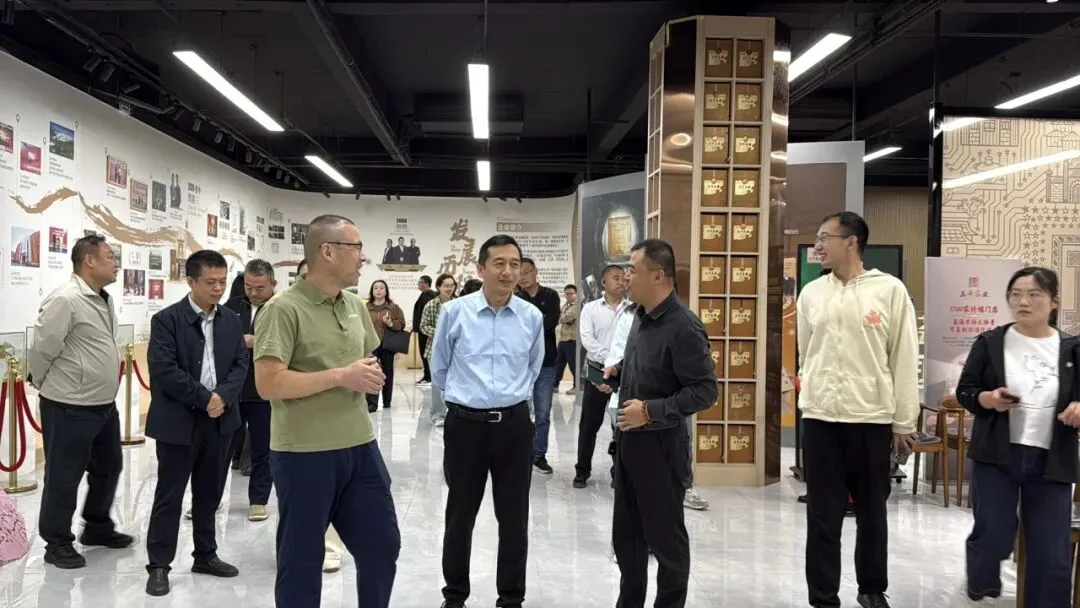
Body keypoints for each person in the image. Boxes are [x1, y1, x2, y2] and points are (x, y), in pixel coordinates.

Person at [254, 214, 400, 608]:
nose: (363, 257)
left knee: (382, 546)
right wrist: (340, 376)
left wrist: (369, 374)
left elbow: (365, 359)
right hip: (304, 453)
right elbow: (268, 384)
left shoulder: (353, 305)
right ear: (328, 251)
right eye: (356, 248)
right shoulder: (282, 309)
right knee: (302, 560)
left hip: (360, 447)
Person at [797, 211, 918, 608]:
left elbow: (903, 357)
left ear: (851, 242)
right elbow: (806, 353)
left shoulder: (889, 290)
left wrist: (904, 421)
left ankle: (871, 589)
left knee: (872, 512)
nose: (818, 245)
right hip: (821, 419)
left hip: (871, 420)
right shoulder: (812, 293)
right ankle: (822, 596)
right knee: (822, 514)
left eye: (824, 237)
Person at [603, 239, 717, 608]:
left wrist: (651, 410)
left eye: (632, 270)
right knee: (628, 539)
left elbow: (705, 391)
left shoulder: (684, 326)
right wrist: (619, 372)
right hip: (629, 443)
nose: (625, 277)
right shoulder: (640, 315)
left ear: (658, 275)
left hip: (662, 449)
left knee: (666, 542)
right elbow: (652, 369)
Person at [956, 266, 1080, 605]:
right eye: (1016, 294)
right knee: (993, 535)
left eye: (1034, 294)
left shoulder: (1072, 348)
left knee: (1051, 551)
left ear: (1054, 302)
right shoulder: (991, 342)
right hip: (997, 456)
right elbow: (966, 391)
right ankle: (982, 580)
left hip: (1052, 460)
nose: (1023, 302)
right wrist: (989, 399)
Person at [432, 234, 543, 608]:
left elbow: (533, 367)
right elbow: (440, 368)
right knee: (460, 515)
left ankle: (511, 597)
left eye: (515, 264)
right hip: (466, 426)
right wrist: (468, 398)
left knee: (514, 518)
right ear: (481, 269)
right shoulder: (455, 312)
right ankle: (455, 596)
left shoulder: (531, 317)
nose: (508, 271)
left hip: (514, 427)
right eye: (499, 263)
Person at [144, 250, 249, 596]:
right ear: (190, 281)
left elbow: (240, 364)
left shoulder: (231, 320)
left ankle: (205, 554)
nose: (218, 288)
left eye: (222, 281)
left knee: (209, 492)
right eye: (210, 282)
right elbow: (165, 370)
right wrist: (206, 399)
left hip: (221, 420)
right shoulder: (166, 321)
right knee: (170, 495)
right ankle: (159, 564)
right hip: (179, 420)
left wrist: (223, 397)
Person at [28, 234, 132, 569]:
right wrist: (44, 384)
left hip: (102, 404)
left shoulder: (103, 298)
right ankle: (57, 542)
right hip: (69, 405)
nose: (116, 263)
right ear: (89, 260)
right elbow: (42, 349)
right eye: (110, 256)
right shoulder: (66, 299)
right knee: (64, 476)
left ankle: (97, 527)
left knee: (109, 467)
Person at [223, 258, 277, 521]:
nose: (253, 293)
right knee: (221, 448)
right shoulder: (232, 307)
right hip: (232, 390)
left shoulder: (282, 308)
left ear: (273, 284)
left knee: (262, 449)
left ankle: (258, 500)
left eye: (260, 288)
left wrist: (260, 342)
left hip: (264, 390)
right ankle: (208, 499)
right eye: (248, 286)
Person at [575, 265, 629, 488]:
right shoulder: (590, 309)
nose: (621, 282)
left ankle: (619, 472)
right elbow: (587, 339)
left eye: (624, 278)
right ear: (604, 282)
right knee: (589, 425)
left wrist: (617, 366)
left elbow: (632, 342)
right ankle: (582, 470)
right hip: (597, 372)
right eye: (616, 278)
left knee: (621, 426)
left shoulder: (633, 309)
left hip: (623, 372)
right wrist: (609, 362)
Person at [515, 257, 561, 475]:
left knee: (542, 413)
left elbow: (550, 323)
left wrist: (530, 323)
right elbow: (516, 328)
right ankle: (520, 453)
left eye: (526, 272)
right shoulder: (515, 298)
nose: (522, 277)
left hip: (546, 363)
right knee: (519, 412)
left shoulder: (551, 295)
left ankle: (539, 455)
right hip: (520, 364)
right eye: (519, 273)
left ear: (535, 272)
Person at [421, 274, 458, 426]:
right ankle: (438, 415)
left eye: (452, 285)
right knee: (437, 385)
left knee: (455, 383)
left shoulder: (459, 304)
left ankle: (454, 414)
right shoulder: (431, 305)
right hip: (434, 350)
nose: (449, 288)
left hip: (456, 350)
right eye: (446, 286)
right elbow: (424, 326)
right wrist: (440, 333)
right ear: (438, 287)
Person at [366, 279, 406, 411]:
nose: (378, 290)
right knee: (372, 372)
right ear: (372, 291)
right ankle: (371, 403)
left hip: (387, 344)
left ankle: (387, 401)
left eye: (381, 288)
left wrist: (390, 323)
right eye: (376, 288)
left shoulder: (393, 308)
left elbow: (401, 325)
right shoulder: (365, 307)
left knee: (387, 372)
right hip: (371, 344)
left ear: (386, 291)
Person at [553, 284, 579, 394]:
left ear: (576, 294)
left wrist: (561, 317)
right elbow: (560, 317)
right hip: (563, 338)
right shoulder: (566, 305)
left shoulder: (577, 306)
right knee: (558, 364)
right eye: (566, 294)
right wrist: (561, 317)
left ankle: (577, 387)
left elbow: (564, 318)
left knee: (573, 365)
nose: (568, 296)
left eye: (571, 293)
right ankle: (554, 385)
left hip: (572, 339)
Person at [413, 275, 437, 386]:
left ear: (426, 284)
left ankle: (428, 377)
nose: (418, 284)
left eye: (420, 282)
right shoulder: (427, 295)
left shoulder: (427, 296)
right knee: (425, 354)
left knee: (425, 354)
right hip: (424, 329)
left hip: (425, 331)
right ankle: (428, 376)